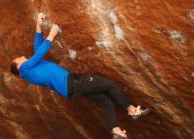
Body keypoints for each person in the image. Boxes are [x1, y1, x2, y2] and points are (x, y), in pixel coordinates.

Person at [10, 13, 150, 139]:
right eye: (19, 58)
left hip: (70, 89)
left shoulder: (30, 70)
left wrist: (38, 24)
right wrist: (52, 34)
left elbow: (37, 48)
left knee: (105, 100)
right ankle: (131, 110)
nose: (23, 56)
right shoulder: (24, 70)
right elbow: (40, 53)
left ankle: (116, 130)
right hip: (71, 83)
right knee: (110, 84)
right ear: (18, 66)